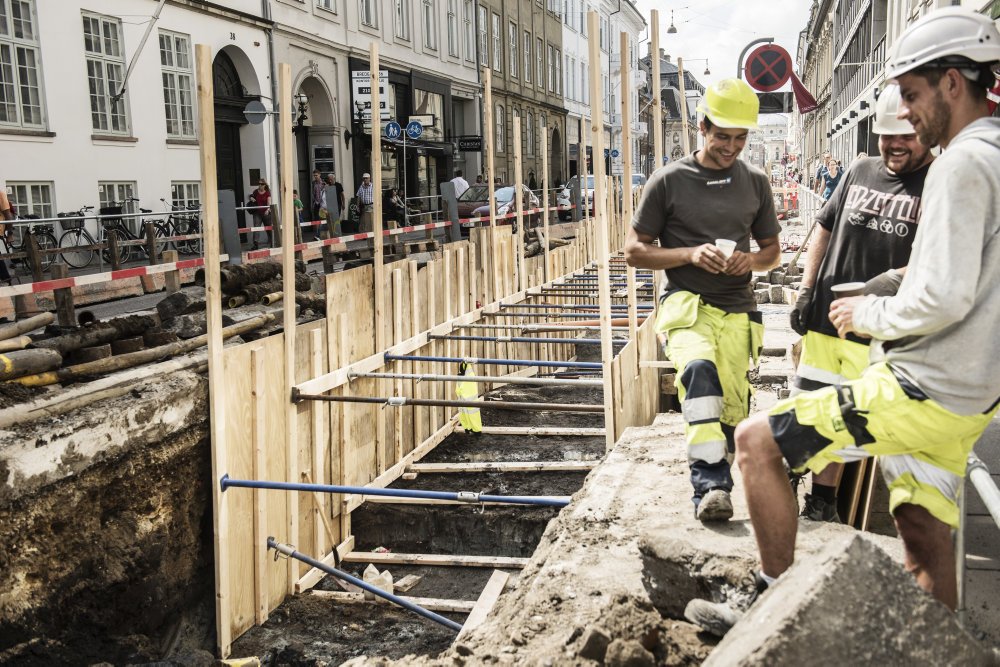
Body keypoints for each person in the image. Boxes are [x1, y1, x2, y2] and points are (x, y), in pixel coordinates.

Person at [687, 7, 1000, 636]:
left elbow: (942, 298)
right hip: (972, 395)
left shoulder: (962, 164)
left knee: (754, 443)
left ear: (952, 83)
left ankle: (768, 613)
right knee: (922, 530)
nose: (906, 114)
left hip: (925, 385)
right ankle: (936, 649)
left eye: (912, 96)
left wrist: (869, 310)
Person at [625, 78, 781, 523]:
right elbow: (635, 250)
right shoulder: (669, 181)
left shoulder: (755, 183)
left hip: (738, 310)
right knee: (698, 375)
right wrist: (689, 254)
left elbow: (772, 251)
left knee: (731, 408)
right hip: (686, 304)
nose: (731, 147)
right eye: (722, 137)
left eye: (740, 138)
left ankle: (721, 472)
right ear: (702, 127)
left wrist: (749, 261)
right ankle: (709, 483)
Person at [788, 82, 933, 523]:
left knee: (848, 417)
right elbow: (825, 229)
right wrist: (806, 287)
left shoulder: (938, 184)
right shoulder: (860, 169)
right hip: (827, 320)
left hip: (879, 329)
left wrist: (888, 283)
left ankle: (824, 503)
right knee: (809, 406)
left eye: (904, 137)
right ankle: (797, 484)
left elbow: (938, 263)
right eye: (887, 136)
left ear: (926, 131)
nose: (893, 146)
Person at [248, 178, 272, 249]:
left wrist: (267, 210)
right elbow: (251, 196)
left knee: (268, 228)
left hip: (265, 213)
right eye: (259, 184)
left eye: (262, 184)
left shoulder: (267, 192)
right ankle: (255, 244)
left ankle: (272, 241)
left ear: (265, 185)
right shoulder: (255, 191)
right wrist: (251, 198)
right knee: (256, 227)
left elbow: (269, 203)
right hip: (257, 213)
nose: (260, 185)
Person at [0, 187, 13, 282]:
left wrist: (10, 234)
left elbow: (8, 215)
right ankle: (5, 277)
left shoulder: (0, 195)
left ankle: (6, 278)